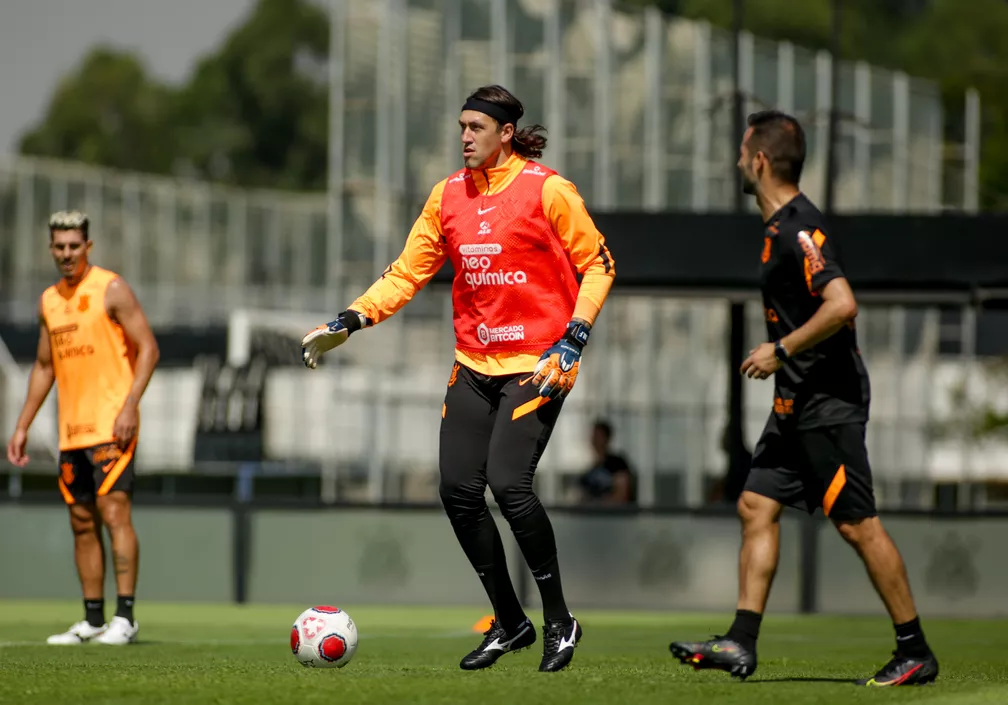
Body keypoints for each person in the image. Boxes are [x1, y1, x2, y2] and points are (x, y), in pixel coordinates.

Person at [300, 84, 615, 672]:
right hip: (473, 366)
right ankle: (510, 622)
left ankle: (559, 621)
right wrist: (351, 319)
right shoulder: (447, 196)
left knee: (508, 483)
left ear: (505, 134)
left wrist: (574, 337)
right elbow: (405, 274)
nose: (465, 137)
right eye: (462, 127)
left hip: (539, 364)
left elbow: (598, 265)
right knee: (456, 491)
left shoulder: (548, 190)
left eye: (476, 127)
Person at [667, 111, 938, 686]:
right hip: (795, 405)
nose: (738, 160)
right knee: (755, 505)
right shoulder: (778, 229)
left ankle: (914, 650)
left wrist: (780, 350)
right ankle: (740, 642)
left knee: (857, 525)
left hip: (826, 403)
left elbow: (842, 304)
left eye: (743, 151)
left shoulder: (799, 229)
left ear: (759, 160)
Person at [6, 211, 160, 645]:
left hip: (114, 425)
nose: (67, 253)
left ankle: (125, 618)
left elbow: (148, 347)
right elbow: (42, 366)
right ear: (50, 249)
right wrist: (21, 427)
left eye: (74, 245)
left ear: (88, 247)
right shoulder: (49, 302)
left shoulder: (111, 288)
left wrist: (131, 405)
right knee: (80, 520)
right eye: (59, 246)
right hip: (71, 432)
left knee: (114, 512)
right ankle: (93, 620)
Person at [578, 419, 635, 505]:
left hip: (614, 516)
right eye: (593, 436)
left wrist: (597, 504)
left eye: (598, 436)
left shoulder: (618, 463)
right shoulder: (591, 471)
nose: (594, 439)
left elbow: (622, 496)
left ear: (607, 438)